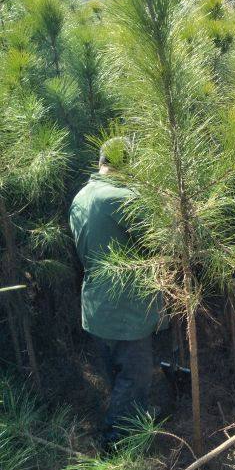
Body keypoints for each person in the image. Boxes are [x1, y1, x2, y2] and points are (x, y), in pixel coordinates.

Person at [69, 138, 162, 448]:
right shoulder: (125, 198)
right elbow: (158, 244)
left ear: (101, 161)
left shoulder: (80, 197)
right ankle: (116, 446)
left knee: (116, 376)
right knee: (134, 379)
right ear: (129, 164)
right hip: (127, 310)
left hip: (95, 307)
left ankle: (129, 423)